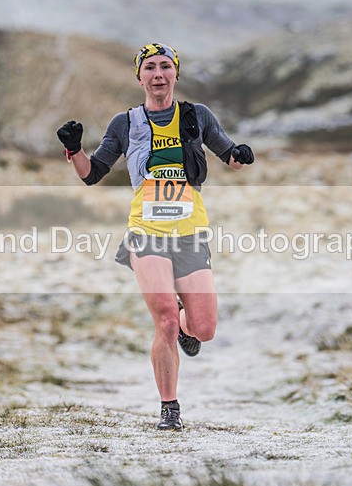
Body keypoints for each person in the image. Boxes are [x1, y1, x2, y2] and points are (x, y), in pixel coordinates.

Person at [56, 42, 254, 431]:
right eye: (150, 67)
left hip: (189, 232)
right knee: (162, 317)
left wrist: (240, 156)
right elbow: (92, 173)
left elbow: (228, 153)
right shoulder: (125, 123)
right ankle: (169, 409)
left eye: (165, 66)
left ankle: (186, 326)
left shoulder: (197, 116)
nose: (158, 74)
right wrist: (74, 148)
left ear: (176, 74)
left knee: (205, 329)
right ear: (140, 76)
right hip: (145, 232)